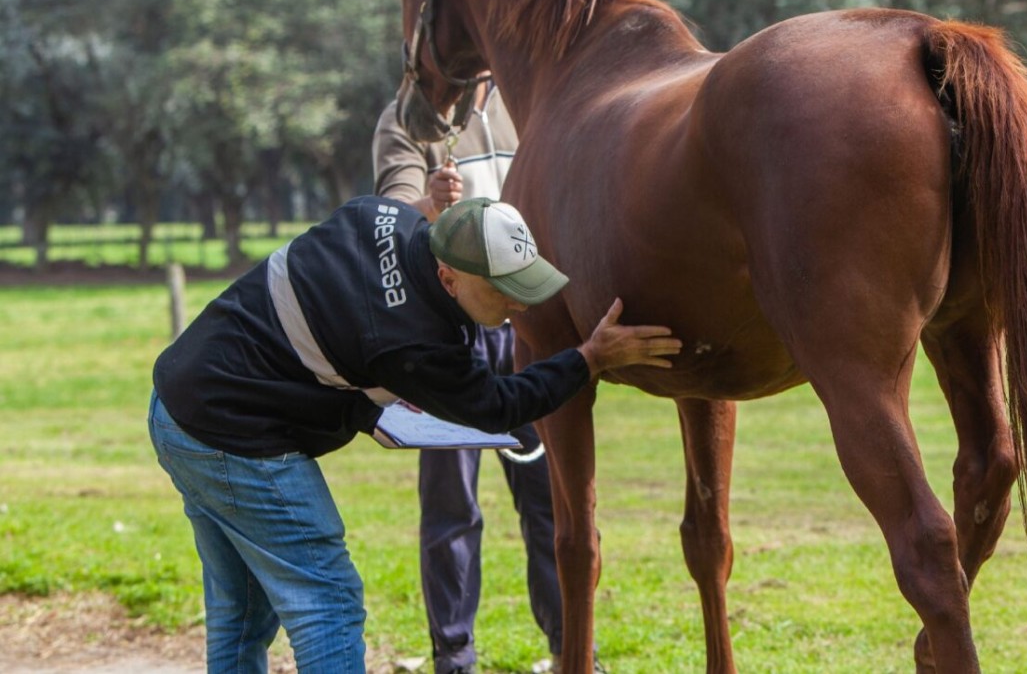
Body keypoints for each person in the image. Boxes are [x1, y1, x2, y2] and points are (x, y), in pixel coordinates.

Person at [148, 195, 681, 674]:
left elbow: (347, 303)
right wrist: (590, 358)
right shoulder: (413, 342)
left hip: (178, 405)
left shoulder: (381, 213)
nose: (520, 305)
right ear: (449, 278)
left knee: (241, 610)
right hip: (231, 435)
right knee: (328, 598)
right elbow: (501, 405)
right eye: (503, 291)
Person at [373, 82, 573, 674]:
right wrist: (431, 206)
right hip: (446, 328)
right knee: (451, 505)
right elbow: (393, 213)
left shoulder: (527, 101)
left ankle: (571, 649)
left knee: (548, 499)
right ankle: (454, 659)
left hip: (528, 318)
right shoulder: (407, 119)